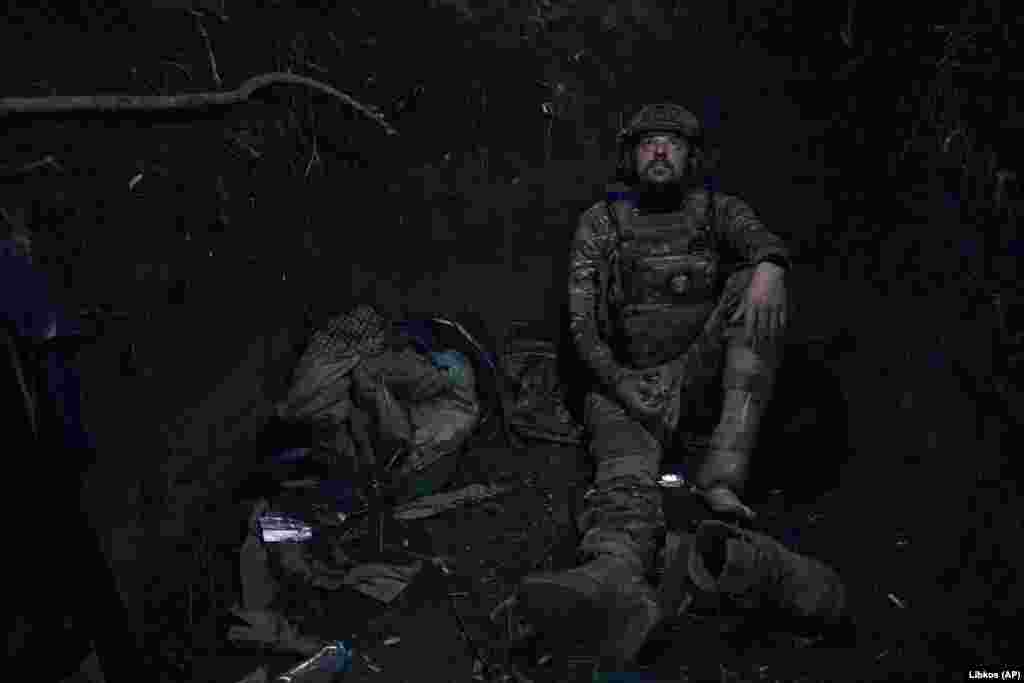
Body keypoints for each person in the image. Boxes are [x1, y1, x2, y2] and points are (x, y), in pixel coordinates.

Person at [515, 102, 797, 667]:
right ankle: (612, 578)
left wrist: (770, 265)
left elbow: (761, 240)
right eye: (649, 143)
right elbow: (581, 324)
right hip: (626, 385)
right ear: (630, 156)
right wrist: (620, 382)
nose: (661, 152)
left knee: (757, 284)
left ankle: (723, 476)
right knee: (624, 475)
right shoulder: (603, 220)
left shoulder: (718, 210)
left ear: (692, 157)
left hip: (695, 375)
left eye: (673, 143)